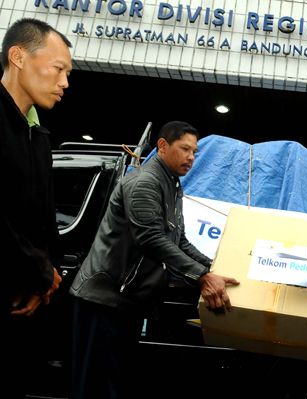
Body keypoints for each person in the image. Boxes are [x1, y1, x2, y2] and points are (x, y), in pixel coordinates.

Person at [69, 121, 240, 399]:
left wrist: (214, 268)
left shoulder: (172, 184)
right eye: (185, 149)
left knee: (115, 382)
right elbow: (150, 239)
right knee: (96, 386)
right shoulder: (145, 182)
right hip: (105, 299)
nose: (191, 157)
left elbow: (178, 240)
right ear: (162, 146)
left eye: (195, 152)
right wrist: (201, 276)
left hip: (129, 302)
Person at [1, 18, 72, 398]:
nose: (65, 83)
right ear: (18, 57)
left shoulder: (39, 134)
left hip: (26, 303)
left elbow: (45, 220)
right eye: (59, 69)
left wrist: (46, 281)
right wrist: (38, 271)